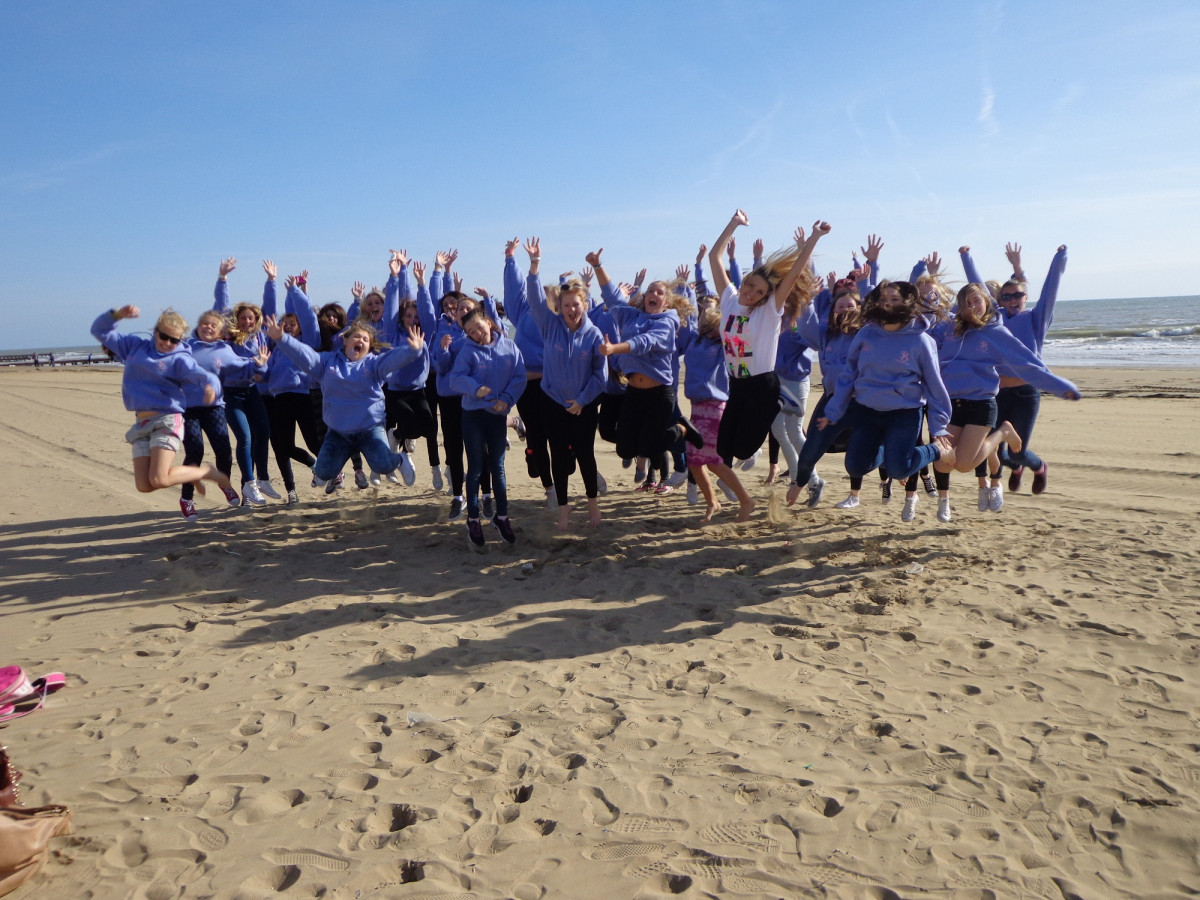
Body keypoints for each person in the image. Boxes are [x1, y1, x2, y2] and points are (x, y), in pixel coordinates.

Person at [706, 210, 830, 517]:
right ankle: (745, 500)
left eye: (758, 291)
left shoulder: (769, 311)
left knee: (744, 450)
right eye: (749, 285)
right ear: (744, 280)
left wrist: (812, 239)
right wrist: (733, 225)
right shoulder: (730, 299)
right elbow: (714, 256)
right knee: (717, 456)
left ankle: (780, 401)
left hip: (763, 387)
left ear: (766, 296)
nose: (750, 292)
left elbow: (793, 274)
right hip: (736, 385)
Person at [930, 282, 1080, 521]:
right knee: (942, 465)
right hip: (953, 404)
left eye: (976, 301)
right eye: (967, 303)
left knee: (964, 465)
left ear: (987, 302)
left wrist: (1060, 386)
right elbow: (921, 338)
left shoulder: (994, 333)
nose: (972, 307)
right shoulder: (949, 329)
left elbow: (1026, 361)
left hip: (980, 405)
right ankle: (1000, 439)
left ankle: (1002, 433)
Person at [817, 280, 955, 522]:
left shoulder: (921, 341)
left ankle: (935, 451)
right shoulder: (866, 334)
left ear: (907, 303)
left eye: (895, 300)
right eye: (884, 300)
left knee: (899, 468)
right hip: (867, 410)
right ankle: (884, 448)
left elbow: (934, 385)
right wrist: (834, 408)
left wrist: (939, 426)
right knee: (856, 466)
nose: (888, 305)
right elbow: (849, 373)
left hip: (904, 412)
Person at [586, 248, 704, 504]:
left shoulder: (668, 321)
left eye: (659, 293)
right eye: (650, 291)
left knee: (652, 447)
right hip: (634, 392)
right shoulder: (634, 315)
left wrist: (614, 348)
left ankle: (682, 428)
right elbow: (613, 298)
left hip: (659, 393)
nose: (653, 295)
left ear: (667, 302)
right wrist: (597, 266)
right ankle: (665, 437)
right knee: (625, 448)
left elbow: (645, 342)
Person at [264, 315, 424, 492]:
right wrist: (282, 338)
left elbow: (392, 360)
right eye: (356, 336)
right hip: (338, 433)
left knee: (383, 465)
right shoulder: (327, 362)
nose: (360, 341)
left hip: (369, 429)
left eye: (365, 339)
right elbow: (305, 355)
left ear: (370, 346)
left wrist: (413, 351)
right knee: (323, 471)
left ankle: (401, 459)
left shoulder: (373, 364)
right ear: (345, 340)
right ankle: (332, 473)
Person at [91, 305, 234, 502]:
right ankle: (194, 473)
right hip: (141, 424)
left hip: (166, 420)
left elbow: (201, 375)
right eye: (164, 337)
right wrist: (116, 315)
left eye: (174, 340)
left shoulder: (179, 358)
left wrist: (210, 387)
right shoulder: (134, 346)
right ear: (156, 331)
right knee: (144, 486)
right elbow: (99, 331)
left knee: (159, 479)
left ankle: (204, 473)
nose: (168, 343)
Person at [523, 238, 608, 530]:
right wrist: (535, 265)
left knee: (585, 454)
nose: (571, 309)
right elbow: (534, 298)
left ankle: (593, 504)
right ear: (558, 306)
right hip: (552, 401)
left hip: (582, 405)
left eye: (576, 304)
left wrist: (582, 401)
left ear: (584, 304)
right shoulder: (550, 325)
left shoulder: (594, 334)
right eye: (566, 304)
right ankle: (563, 509)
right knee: (558, 455)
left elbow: (601, 376)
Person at [446, 307, 525, 549]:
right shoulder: (468, 351)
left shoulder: (509, 347)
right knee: (476, 467)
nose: (477, 334)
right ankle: (473, 519)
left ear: (488, 322)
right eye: (470, 331)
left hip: (498, 414)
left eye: (479, 327)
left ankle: (502, 517)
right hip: (473, 415)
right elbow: (455, 378)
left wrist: (508, 398)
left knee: (498, 466)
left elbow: (519, 376)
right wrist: (474, 388)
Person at [179, 308, 268, 518]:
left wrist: (261, 365)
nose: (208, 327)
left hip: (214, 407)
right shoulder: (185, 348)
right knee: (195, 452)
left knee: (224, 450)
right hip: (187, 409)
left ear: (221, 332)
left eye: (213, 325)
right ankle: (187, 499)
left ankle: (224, 482)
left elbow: (247, 368)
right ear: (197, 327)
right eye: (204, 323)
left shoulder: (225, 351)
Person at [214, 257, 278, 505]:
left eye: (251, 318)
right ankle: (249, 483)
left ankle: (261, 480)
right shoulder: (230, 337)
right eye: (243, 318)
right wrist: (222, 278)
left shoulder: (261, 338)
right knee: (245, 437)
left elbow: (270, 309)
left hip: (252, 392)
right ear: (237, 320)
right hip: (230, 394)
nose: (247, 321)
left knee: (263, 432)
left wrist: (272, 281)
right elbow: (222, 307)